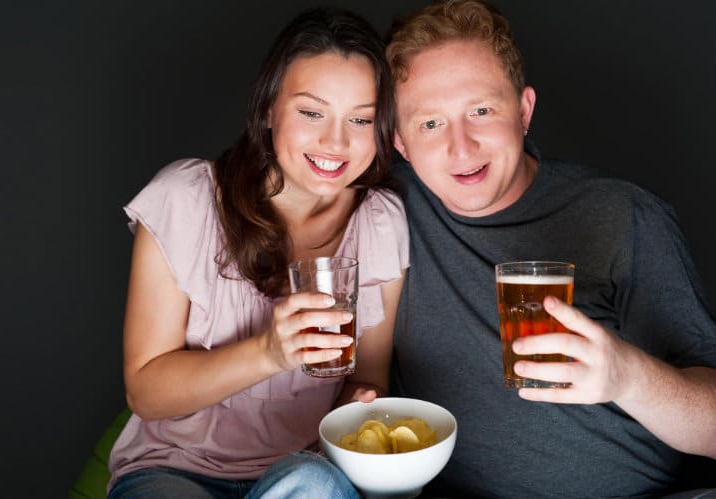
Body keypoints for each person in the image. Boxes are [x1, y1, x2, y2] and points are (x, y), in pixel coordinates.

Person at [385, 1, 716, 497]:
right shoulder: (387, 215)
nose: (462, 146)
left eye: (481, 110)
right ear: (401, 144)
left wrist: (628, 377)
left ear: (523, 111)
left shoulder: (624, 217)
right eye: (430, 124)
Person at [106, 7, 409, 499]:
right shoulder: (186, 199)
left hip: (303, 470)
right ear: (269, 108)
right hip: (173, 470)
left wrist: (363, 404)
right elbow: (145, 391)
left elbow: (367, 377)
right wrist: (269, 353)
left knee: (314, 483)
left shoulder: (379, 221)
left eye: (361, 119)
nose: (336, 142)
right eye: (311, 112)